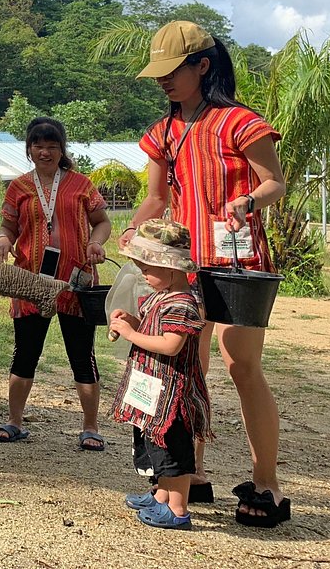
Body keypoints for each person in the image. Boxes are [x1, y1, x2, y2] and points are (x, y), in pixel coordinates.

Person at [118, 20, 289, 527]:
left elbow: (274, 181)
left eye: (173, 71)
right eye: (158, 74)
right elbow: (155, 197)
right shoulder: (163, 133)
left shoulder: (240, 123)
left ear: (203, 66)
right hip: (184, 266)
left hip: (239, 263)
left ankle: (267, 484)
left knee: (241, 364)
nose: (163, 81)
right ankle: (189, 475)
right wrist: (134, 231)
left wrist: (248, 200)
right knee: (186, 366)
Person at [0, 117, 111, 450]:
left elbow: (102, 222)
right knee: (25, 353)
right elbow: (8, 227)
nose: (45, 152)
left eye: (52, 146)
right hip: (30, 281)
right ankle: (14, 421)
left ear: (62, 149)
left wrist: (96, 243)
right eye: (38, 145)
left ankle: (90, 427)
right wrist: (3, 239)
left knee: (82, 355)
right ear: (29, 149)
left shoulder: (81, 184)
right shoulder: (18, 187)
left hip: (77, 282)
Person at [110, 219, 212, 530]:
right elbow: (152, 327)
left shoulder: (182, 304)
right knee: (159, 449)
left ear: (171, 268)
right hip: (155, 393)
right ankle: (161, 497)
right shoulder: (160, 297)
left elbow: (170, 345)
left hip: (173, 398)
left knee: (175, 453)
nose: (142, 273)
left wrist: (130, 333)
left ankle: (178, 509)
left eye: (146, 267)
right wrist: (130, 320)